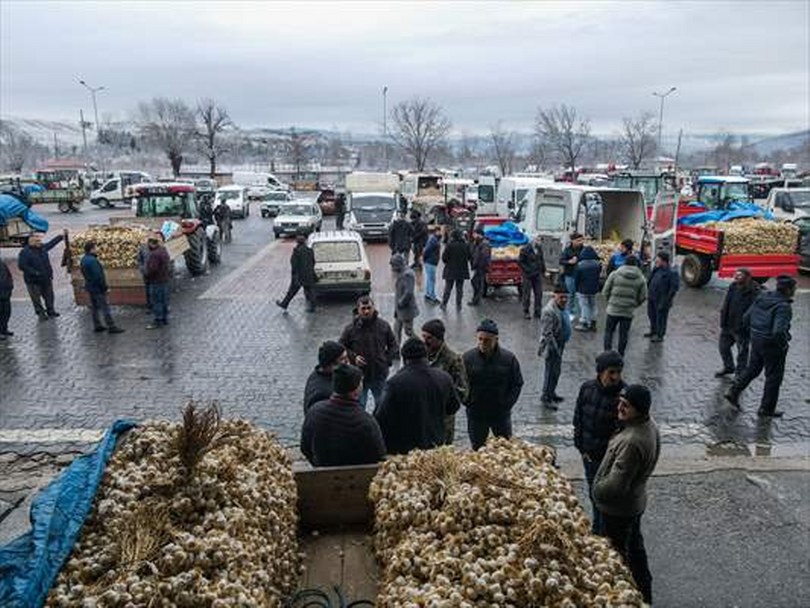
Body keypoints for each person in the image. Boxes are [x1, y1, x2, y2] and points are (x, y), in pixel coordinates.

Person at [593, 384, 660, 605]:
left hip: (618, 510)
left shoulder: (632, 441)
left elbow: (615, 486)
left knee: (617, 556)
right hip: (635, 502)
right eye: (620, 402)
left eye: (626, 405)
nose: (619, 407)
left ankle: (625, 597)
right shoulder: (649, 425)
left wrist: (597, 491)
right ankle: (645, 593)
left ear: (639, 410)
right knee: (636, 550)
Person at [725, 275, 796, 417]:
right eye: (794, 288)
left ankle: (734, 391)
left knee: (753, 369)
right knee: (773, 377)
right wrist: (783, 344)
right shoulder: (783, 306)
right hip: (771, 345)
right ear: (788, 290)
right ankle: (766, 409)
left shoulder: (762, 297)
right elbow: (778, 331)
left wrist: (753, 333)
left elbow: (746, 318)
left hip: (757, 340)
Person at [375, 338, 460, 454]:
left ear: (404, 359)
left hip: (404, 451)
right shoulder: (444, 378)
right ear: (426, 356)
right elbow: (453, 407)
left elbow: (381, 417)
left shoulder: (394, 383)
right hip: (435, 447)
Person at [573, 351, 626, 534]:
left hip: (609, 462)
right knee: (594, 495)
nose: (616, 377)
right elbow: (578, 418)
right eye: (611, 372)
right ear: (600, 372)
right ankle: (598, 529)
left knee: (606, 502)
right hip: (590, 457)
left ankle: (604, 534)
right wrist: (581, 447)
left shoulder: (623, 398)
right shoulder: (586, 388)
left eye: (618, 372)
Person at [300, 364, 386, 467]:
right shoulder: (367, 422)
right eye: (361, 382)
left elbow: (305, 448)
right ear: (355, 390)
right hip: (359, 478)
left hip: (323, 474)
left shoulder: (314, 412)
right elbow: (379, 455)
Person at [462, 319, 523, 450]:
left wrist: (507, 404)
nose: (482, 343)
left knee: (505, 448)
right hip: (476, 414)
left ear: (496, 339)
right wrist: (467, 401)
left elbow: (517, 383)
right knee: (477, 449)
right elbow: (460, 382)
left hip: (500, 415)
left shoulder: (508, 359)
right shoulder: (467, 358)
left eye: (487, 340)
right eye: (480, 339)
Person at [339, 295, 398, 410]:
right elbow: (341, 346)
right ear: (358, 310)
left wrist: (386, 361)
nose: (366, 311)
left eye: (369, 308)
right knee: (359, 406)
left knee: (382, 406)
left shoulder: (383, 325)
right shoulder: (350, 329)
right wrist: (354, 358)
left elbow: (393, 345)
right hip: (359, 376)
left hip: (379, 373)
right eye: (363, 308)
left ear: (373, 308)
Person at [422, 319, 469, 444]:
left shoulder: (453, 360)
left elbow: (463, 393)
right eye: (424, 337)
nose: (425, 341)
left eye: (429, 338)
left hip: (443, 421)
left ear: (439, 339)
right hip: (423, 418)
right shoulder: (421, 357)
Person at [715, 268, 759, 378]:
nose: (736, 277)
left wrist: (746, 324)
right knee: (723, 347)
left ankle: (740, 373)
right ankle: (729, 366)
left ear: (747, 277)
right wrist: (723, 318)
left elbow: (754, 310)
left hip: (742, 328)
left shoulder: (754, 290)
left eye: (740, 275)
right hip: (728, 324)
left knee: (742, 352)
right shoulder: (733, 287)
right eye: (736, 275)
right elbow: (727, 302)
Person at [602, 255, 647, 356]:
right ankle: (620, 354)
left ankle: (607, 352)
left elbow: (605, 291)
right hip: (628, 311)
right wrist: (635, 304)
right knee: (624, 334)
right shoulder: (641, 278)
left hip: (613, 309)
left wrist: (610, 301)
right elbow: (643, 296)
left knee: (609, 332)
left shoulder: (614, 274)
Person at [17, 229, 66, 320]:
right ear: (31, 242)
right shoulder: (25, 252)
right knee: (36, 299)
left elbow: (51, 244)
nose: (40, 242)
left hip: (46, 278)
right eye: (37, 241)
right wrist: (35, 273)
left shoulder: (42, 248)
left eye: (39, 240)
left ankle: (51, 311)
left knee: (49, 296)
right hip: (33, 281)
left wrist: (60, 237)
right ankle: (41, 313)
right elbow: (22, 266)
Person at [80, 242, 124, 334]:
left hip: (90, 287)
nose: (97, 249)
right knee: (105, 307)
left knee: (95, 307)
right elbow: (98, 276)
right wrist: (105, 287)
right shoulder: (93, 261)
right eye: (95, 248)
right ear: (92, 249)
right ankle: (111, 326)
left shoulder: (83, 259)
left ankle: (97, 325)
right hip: (97, 288)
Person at [538, 285, 571, 409]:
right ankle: (546, 396)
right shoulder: (548, 311)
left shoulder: (562, 307)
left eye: (566, 297)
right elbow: (547, 333)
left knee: (556, 372)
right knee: (551, 371)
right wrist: (555, 349)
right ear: (554, 296)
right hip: (552, 346)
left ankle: (552, 393)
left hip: (560, 344)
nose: (564, 300)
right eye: (561, 297)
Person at [276, 231, 317, 313]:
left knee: (292, 291)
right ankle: (313, 306)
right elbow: (313, 261)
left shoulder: (296, 251)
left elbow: (293, 264)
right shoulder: (309, 250)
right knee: (310, 290)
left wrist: (294, 274)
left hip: (298, 275)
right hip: (308, 274)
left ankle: (284, 304)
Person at [303, 341, 349, 413]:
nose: (347, 362)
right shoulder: (322, 394)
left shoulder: (316, 374)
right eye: (343, 359)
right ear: (330, 364)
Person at [644, 251, 679, 342]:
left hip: (662, 299)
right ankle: (653, 331)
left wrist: (666, 300)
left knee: (661, 317)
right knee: (651, 315)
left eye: (658, 260)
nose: (656, 262)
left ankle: (660, 335)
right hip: (652, 297)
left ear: (664, 261)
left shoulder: (671, 272)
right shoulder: (656, 269)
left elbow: (674, 288)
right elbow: (650, 279)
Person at [559, 233, 594, 319]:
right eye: (578, 240)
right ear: (572, 241)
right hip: (570, 275)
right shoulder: (567, 250)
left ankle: (580, 314)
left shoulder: (585, 250)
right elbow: (561, 260)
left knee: (580, 295)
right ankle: (569, 312)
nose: (580, 242)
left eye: (581, 240)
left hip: (582, 276)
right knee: (570, 294)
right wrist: (569, 262)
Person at [390, 253, 419, 351]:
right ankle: (396, 350)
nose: (392, 268)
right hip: (400, 310)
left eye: (393, 265)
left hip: (406, 309)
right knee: (396, 329)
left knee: (408, 331)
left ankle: (420, 346)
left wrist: (400, 303)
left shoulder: (407, 274)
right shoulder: (402, 272)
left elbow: (409, 293)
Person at [143, 235, 171, 329]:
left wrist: (146, 273)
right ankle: (165, 318)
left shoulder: (154, 255)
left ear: (152, 243)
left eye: (148, 244)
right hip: (164, 280)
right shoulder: (164, 251)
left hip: (156, 281)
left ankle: (158, 320)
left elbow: (152, 269)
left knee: (156, 301)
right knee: (164, 300)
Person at [440, 229, 470, 311]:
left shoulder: (450, 245)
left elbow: (444, 258)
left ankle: (444, 304)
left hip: (450, 270)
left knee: (448, 288)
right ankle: (459, 305)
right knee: (459, 289)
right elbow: (469, 257)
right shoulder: (465, 245)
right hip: (462, 271)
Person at [574, 246, 602, 331]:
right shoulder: (598, 265)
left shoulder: (580, 265)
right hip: (594, 288)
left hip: (583, 288)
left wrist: (576, 288)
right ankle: (593, 322)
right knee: (593, 305)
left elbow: (577, 278)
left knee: (584, 305)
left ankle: (584, 322)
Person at [518, 235, 546, 319]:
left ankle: (537, 311)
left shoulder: (539, 249)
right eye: (537, 240)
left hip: (537, 274)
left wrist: (544, 270)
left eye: (540, 240)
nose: (539, 242)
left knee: (539, 293)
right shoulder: (525, 249)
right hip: (528, 275)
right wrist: (527, 270)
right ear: (533, 240)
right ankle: (526, 311)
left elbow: (541, 260)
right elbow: (520, 262)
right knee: (527, 293)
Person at [468, 227, 491, 306]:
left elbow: (484, 256)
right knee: (476, 282)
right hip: (478, 267)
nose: (473, 235)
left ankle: (476, 300)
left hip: (481, 267)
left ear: (479, 234)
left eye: (475, 234)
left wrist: (478, 264)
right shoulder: (478, 242)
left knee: (476, 282)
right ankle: (476, 299)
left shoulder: (484, 244)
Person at [422, 225, 442, 303]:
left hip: (430, 261)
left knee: (429, 279)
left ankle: (428, 294)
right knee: (432, 279)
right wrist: (425, 258)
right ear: (436, 231)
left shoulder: (434, 239)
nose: (441, 232)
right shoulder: (433, 240)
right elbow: (427, 250)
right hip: (431, 262)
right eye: (439, 231)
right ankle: (432, 296)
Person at [0, 257, 13, 340]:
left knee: (7, 312)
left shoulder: (1, 262)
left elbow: (8, 274)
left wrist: (10, 285)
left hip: (5, 292)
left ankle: (4, 329)